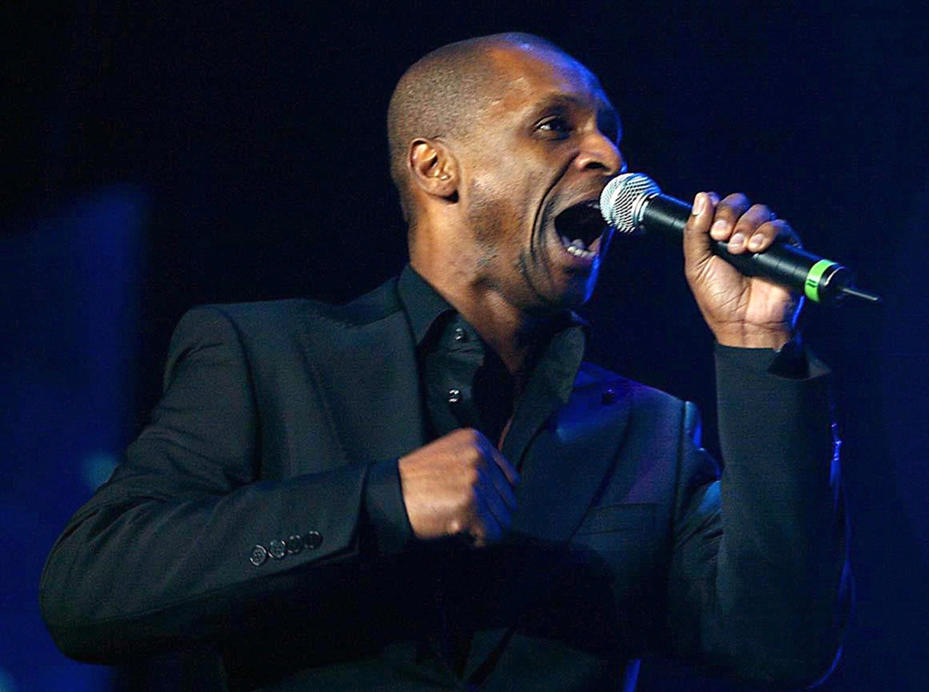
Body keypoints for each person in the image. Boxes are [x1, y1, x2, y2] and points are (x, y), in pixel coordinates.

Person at [40, 33, 849, 690]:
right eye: (555, 127)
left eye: (611, 131)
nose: (610, 155)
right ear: (437, 168)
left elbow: (781, 647)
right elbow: (90, 590)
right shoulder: (267, 356)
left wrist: (758, 349)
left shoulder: (651, 432)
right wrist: (379, 501)